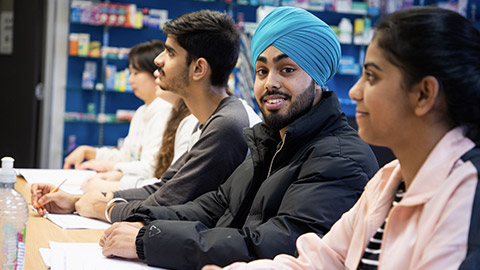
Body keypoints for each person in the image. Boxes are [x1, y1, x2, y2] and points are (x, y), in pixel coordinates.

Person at [98, 7, 379, 269]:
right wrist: (139, 221)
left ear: (318, 79)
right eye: (262, 71)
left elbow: (277, 244)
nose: (270, 83)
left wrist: (147, 239)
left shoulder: (339, 158)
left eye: (287, 70)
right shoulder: (270, 141)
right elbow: (212, 207)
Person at [209, 7, 480, 270]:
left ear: (423, 94)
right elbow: (320, 260)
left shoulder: (467, 197)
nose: (354, 92)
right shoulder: (388, 182)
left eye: (371, 77)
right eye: (262, 71)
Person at [31, 10, 261, 220]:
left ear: (198, 68)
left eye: (170, 53)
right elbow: (164, 186)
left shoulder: (228, 124)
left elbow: (167, 202)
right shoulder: (206, 120)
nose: (158, 60)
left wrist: (104, 208)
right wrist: (75, 201)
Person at [63, 40, 175, 181]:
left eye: (136, 73)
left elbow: (150, 169)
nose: (130, 80)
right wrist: (89, 152)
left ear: (156, 73)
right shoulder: (142, 111)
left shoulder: (165, 112)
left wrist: (106, 166)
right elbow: (127, 156)